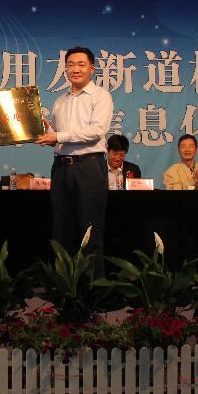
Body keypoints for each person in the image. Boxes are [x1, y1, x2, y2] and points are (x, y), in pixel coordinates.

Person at [35, 46, 113, 274]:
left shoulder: (101, 96)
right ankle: (65, 286)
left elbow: (96, 132)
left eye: (81, 64)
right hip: (61, 168)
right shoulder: (60, 100)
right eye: (70, 65)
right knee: (61, 230)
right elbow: (57, 135)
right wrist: (42, 128)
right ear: (65, 69)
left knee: (90, 231)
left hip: (89, 167)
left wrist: (57, 136)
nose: (75, 69)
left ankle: (92, 288)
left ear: (92, 68)